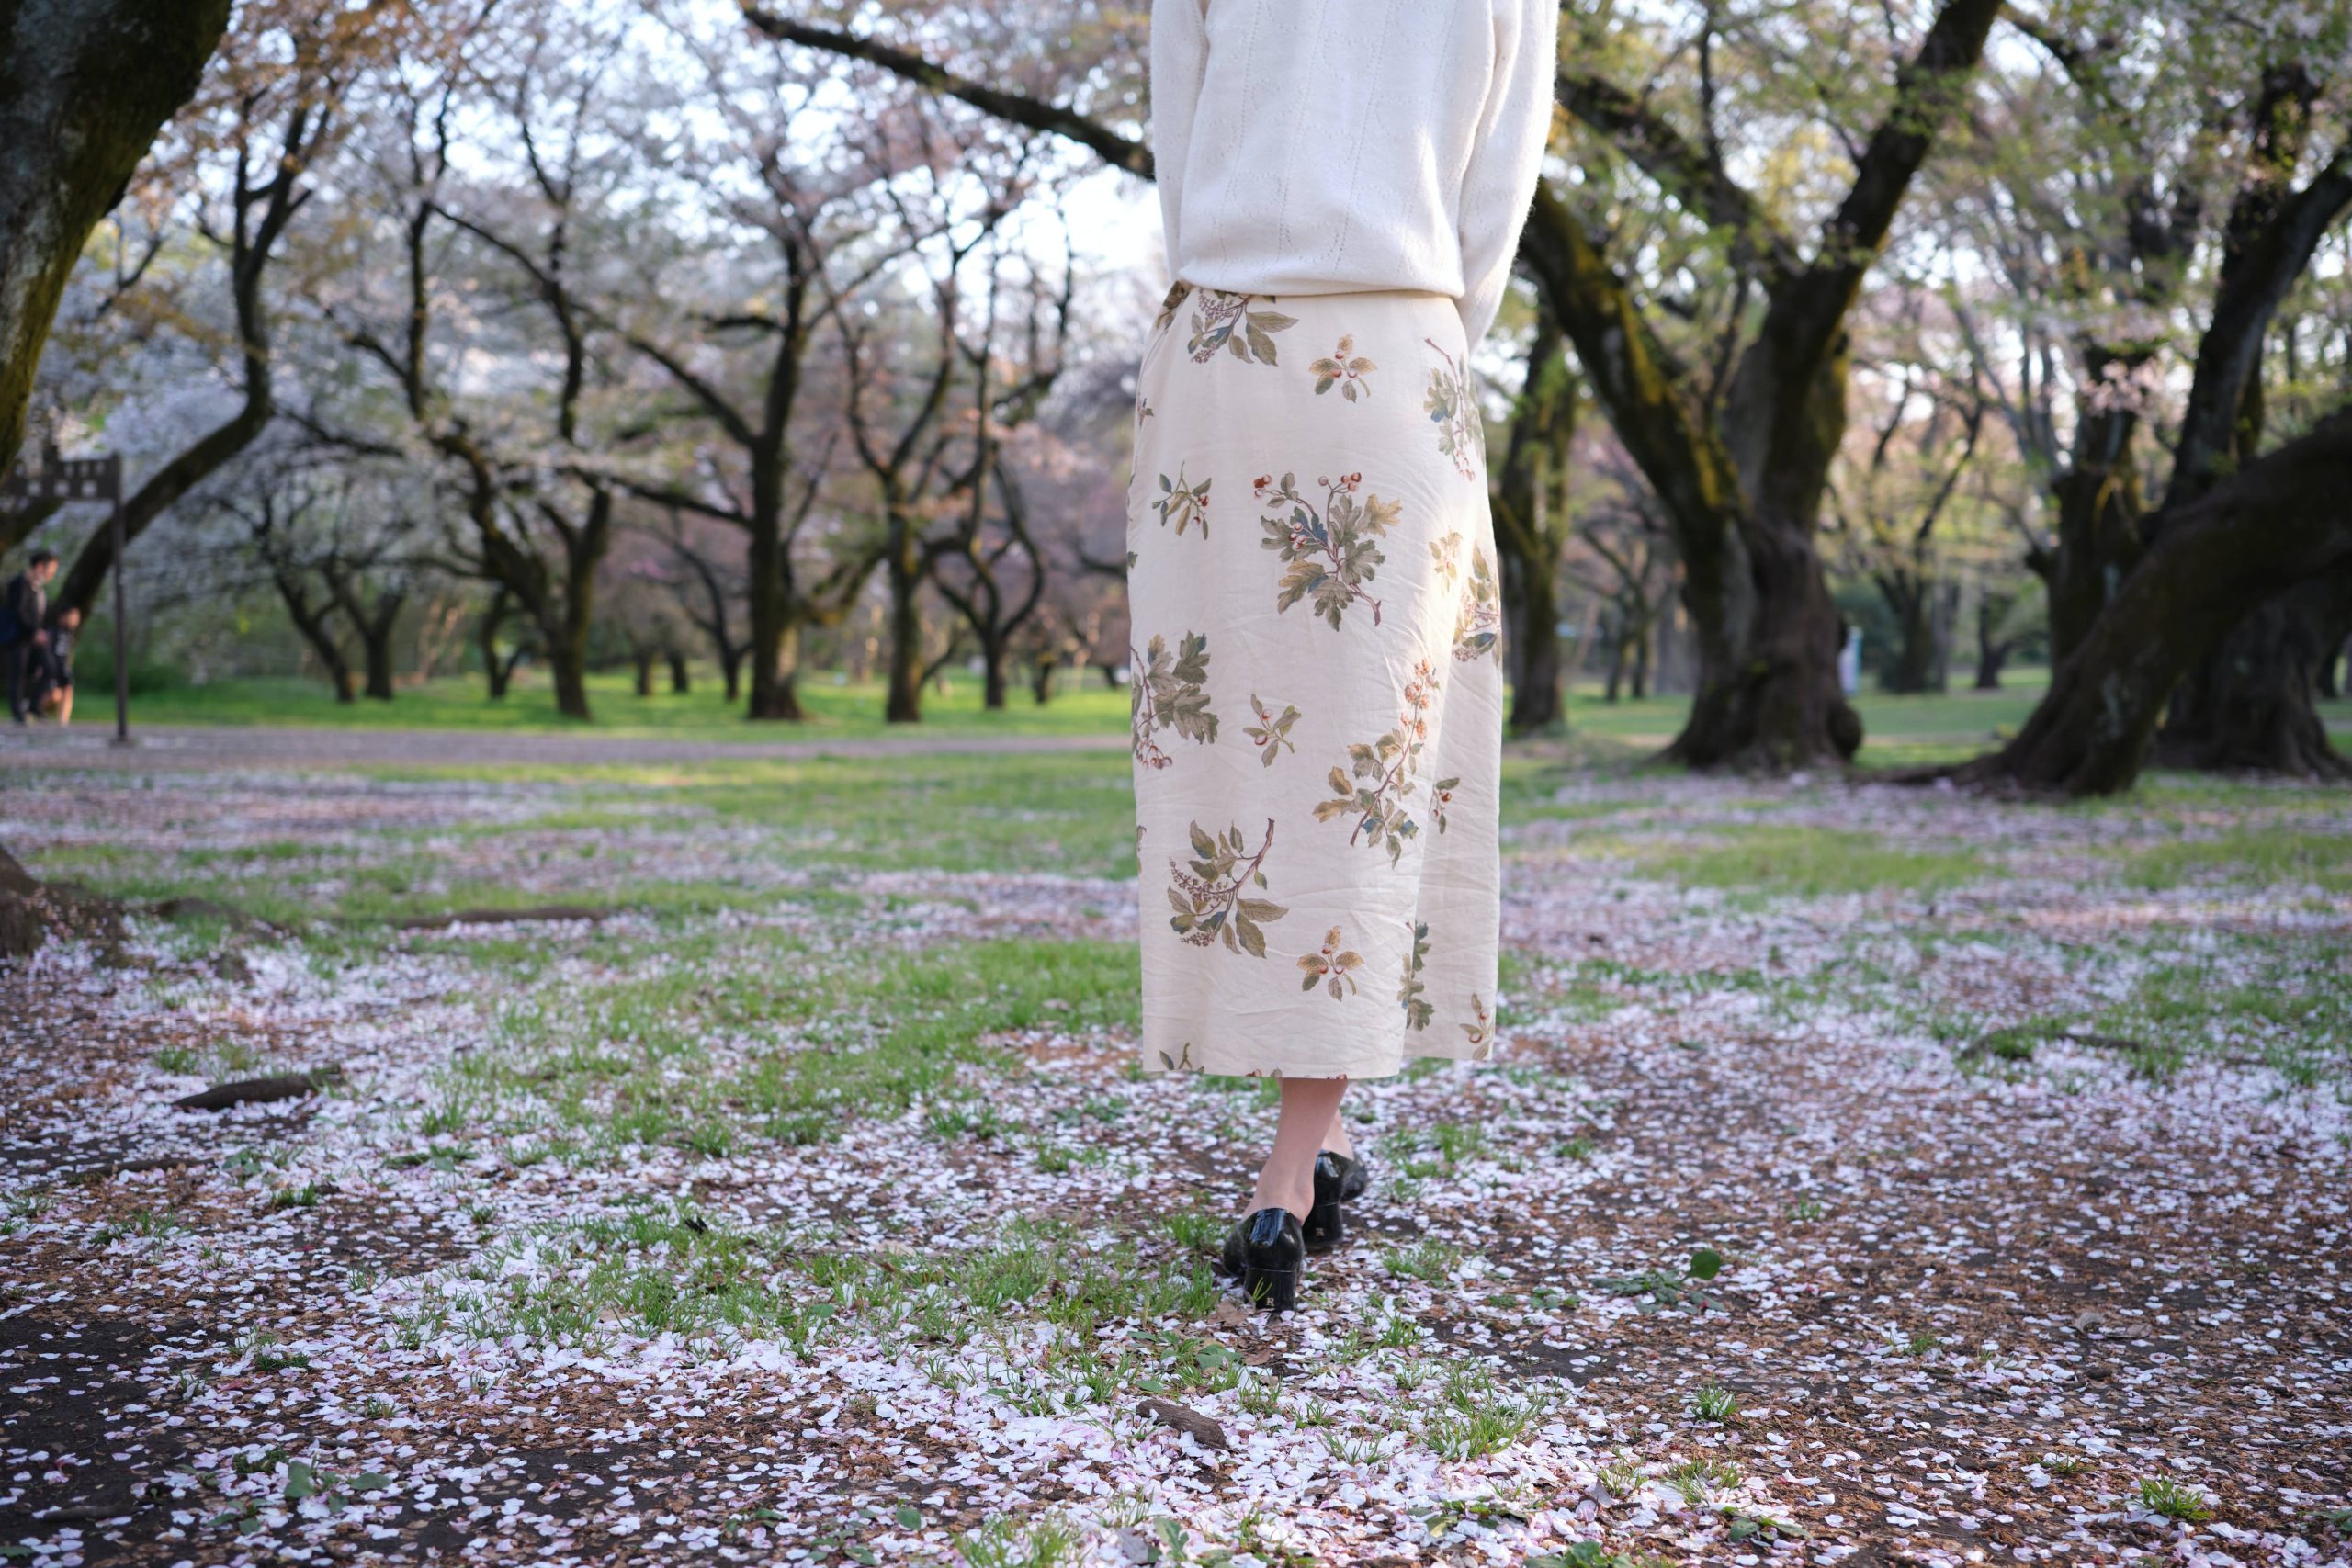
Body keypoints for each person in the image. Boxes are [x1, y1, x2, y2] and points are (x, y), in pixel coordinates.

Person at [1133, 0, 1559, 1309]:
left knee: (1233, 763)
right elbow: (1501, 178)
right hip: (1396, 347)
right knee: (1369, 771)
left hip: (1224, 348)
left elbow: (1178, 135)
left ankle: (1296, 1162)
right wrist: (1423, 315)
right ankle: (1303, 1154)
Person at [2, 549, 58, 726]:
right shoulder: (19, 584)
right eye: (50, 571)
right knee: (17, 674)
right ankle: (18, 713)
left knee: (49, 667)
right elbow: (18, 612)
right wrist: (33, 632)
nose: (51, 576)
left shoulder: (37, 587)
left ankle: (34, 705)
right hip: (19, 637)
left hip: (36, 637)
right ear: (40, 566)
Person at [31, 605, 79, 726]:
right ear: (62, 617)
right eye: (71, 616)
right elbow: (46, 651)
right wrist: (41, 667)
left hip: (62, 667)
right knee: (54, 695)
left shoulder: (70, 634)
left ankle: (63, 721)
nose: (74, 619)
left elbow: (68, 653)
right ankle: (31, 707)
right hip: (52, 666)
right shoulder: (53, 632)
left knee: (68, 690)